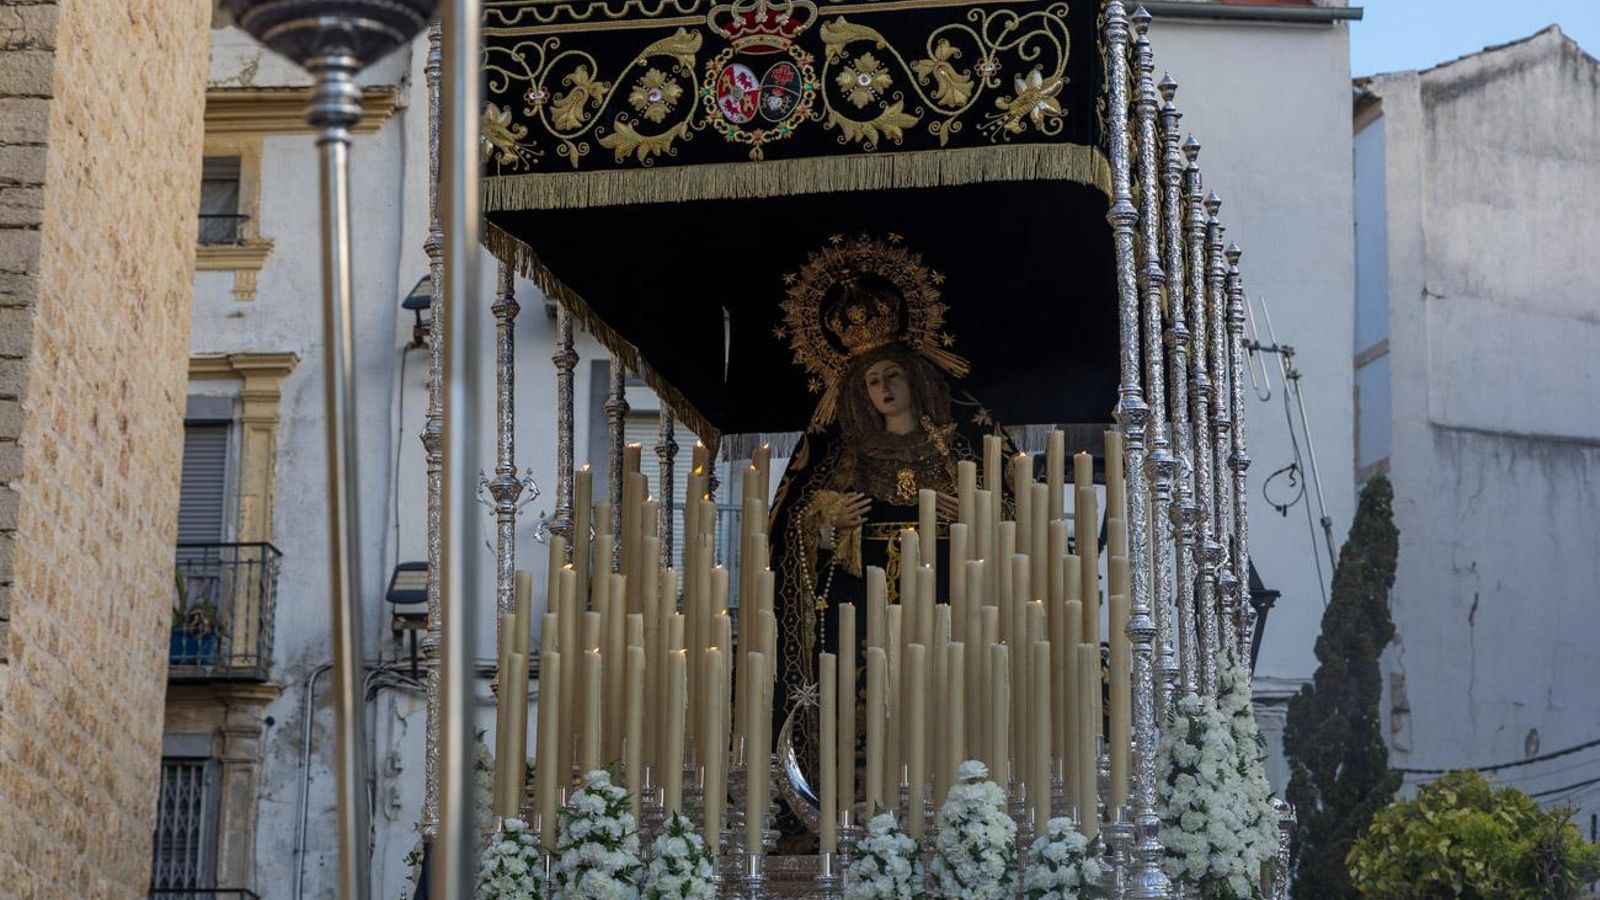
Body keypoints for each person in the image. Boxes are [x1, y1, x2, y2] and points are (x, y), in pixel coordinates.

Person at [765, 248, 1014, 835]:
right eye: (871, 380)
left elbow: (1019, 517)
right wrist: (827, 517)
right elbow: (791, 529)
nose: (882, 387)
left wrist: (975, 512)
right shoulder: (842, 456)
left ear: (915, 376)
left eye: (891, 374)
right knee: (864, 704)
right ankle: (852, 802)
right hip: (859, 603)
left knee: (940, 697)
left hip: (948, 588)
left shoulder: (959, 446)